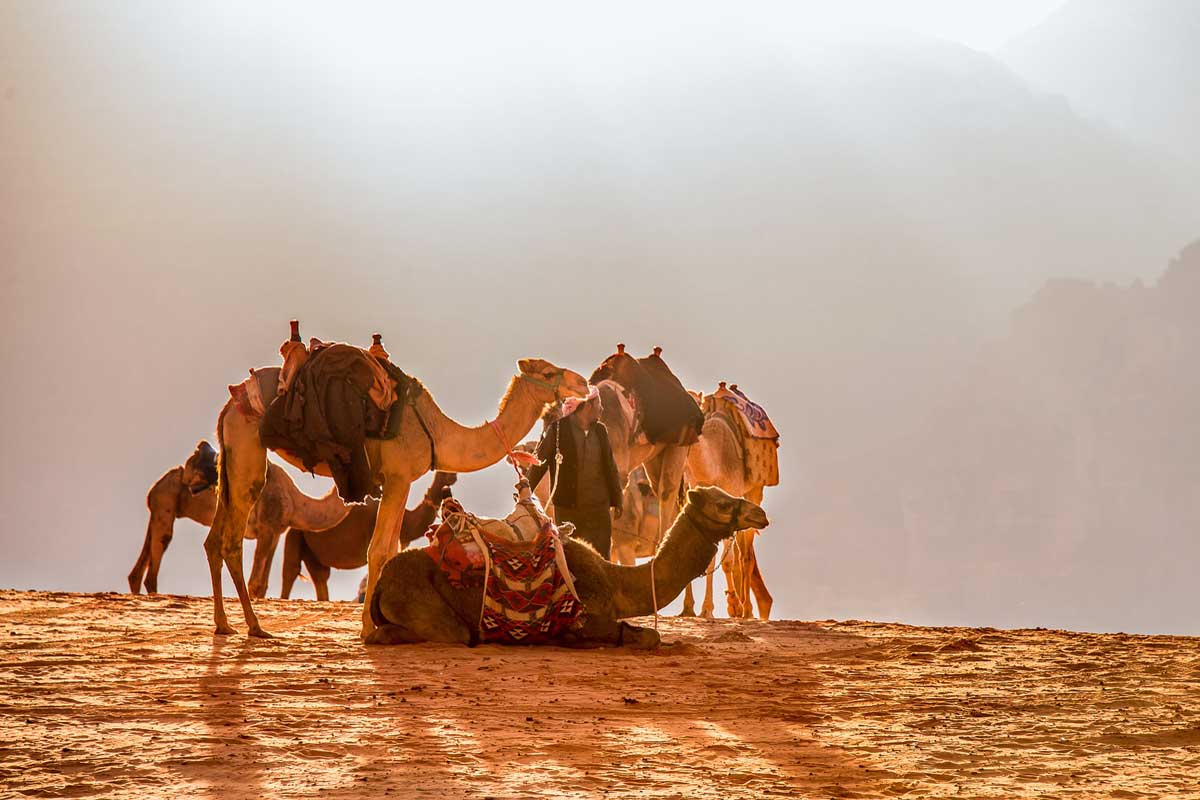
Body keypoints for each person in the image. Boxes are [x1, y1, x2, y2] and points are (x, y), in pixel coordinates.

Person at [526, 386, 624, 557]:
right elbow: (539, 463)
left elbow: (610, 466)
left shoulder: (600, 431)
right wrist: (525, 489)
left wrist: (617, 499)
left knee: (602, 561)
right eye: (598, 404)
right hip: (568, 511)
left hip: (598, 511)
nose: (601, 409)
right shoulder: (557, 431)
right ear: (586, 407)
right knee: (571, 561)